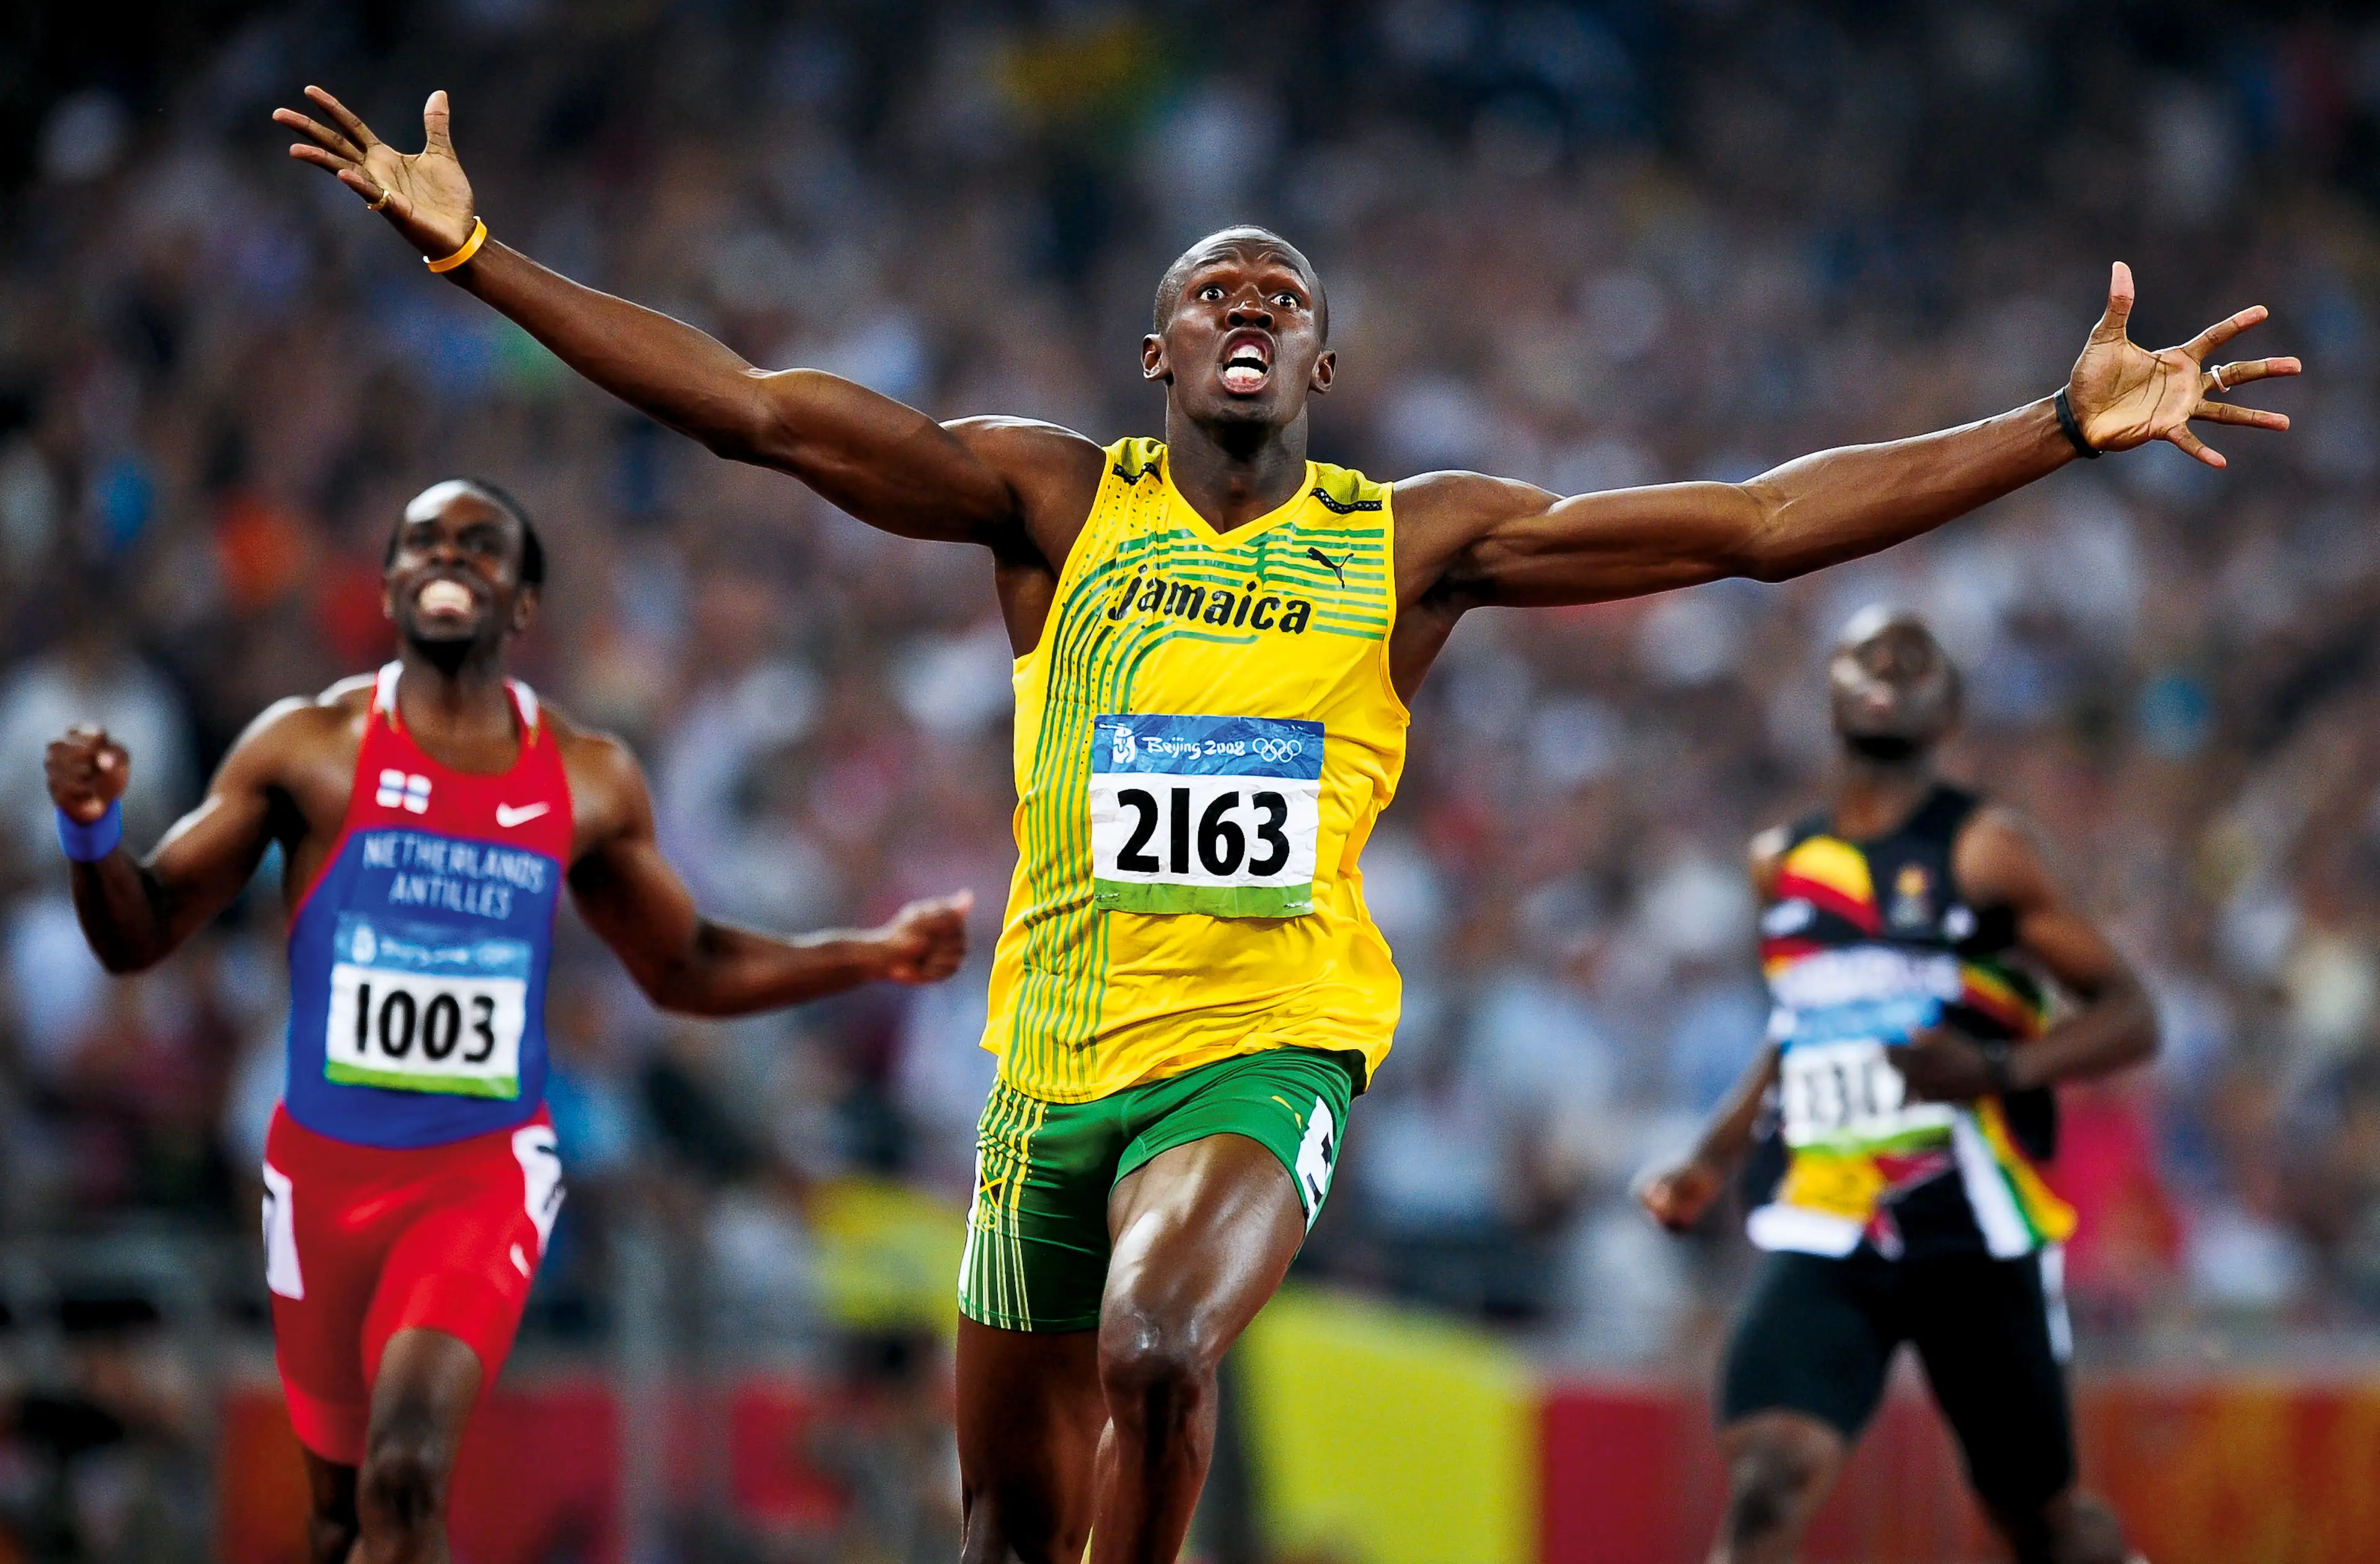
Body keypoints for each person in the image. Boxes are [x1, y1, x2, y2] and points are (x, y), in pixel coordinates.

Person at [273, 84, 2294, 1564]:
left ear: (1325, 358)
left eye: (1285, 290)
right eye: (1212, 287)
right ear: (1156, 353)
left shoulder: (1410, 542)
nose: (1249, 300)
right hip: (1045, 1066)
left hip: (1269, 1044)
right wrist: (472, 251)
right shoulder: (1053, 502)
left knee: (1163, 1344)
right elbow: (753, 407)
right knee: (1005, 1526)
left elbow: (1757, 524)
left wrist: (2055, 426)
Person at [46, 478, 970, 1564]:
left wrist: (864, 952)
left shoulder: (584, 776)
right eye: (424, 542)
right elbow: (141, 931)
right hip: (329, 1171)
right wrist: (92, 831)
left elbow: (685, 965)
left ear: (523, 602)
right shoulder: (306, 749)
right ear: (389, 585)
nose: (449, 558)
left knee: (406, 1466)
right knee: (340, 1518)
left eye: (480, 545)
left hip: (478, 1175)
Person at [1637, 608, 2158, 1564]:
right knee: (1769, 1475)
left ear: (1948, 711)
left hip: (1970, 1225)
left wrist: (1995, 1069)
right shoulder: (1781, 864)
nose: (1887, 664)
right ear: (1829, 694)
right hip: (1834, 1216)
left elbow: (2131, 1013)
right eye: (1865, 653)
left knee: (2041, 1525)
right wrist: (1711, 1157)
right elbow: (1799, 1025)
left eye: (1913, 658)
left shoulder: (1986, 848)